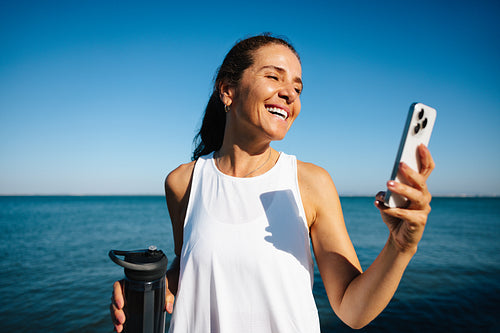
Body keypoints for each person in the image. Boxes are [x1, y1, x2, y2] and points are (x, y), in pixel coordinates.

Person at [110, 33, 435, 332]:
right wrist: (154, 286)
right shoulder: (183, 182)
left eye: (297, 88)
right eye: (273, 76)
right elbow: (191, 266)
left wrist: (400, 247)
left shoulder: (310, 182)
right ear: (228, 90)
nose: (289, 94)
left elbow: (353, 310)